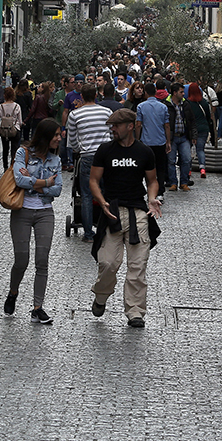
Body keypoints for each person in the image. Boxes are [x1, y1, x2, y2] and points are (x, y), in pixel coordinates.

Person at [89, 108, 162, 328]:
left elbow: (152, 181)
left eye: (116, 126)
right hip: (112, 212)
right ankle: (101, 296)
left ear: (130, 126)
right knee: (108, 262)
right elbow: (93, 180)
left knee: (138, 265)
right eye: (111, 126)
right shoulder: (105, 150)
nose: (112, 129)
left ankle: (135, 311)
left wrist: (152, 199)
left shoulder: (145, 152)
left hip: (138, 212)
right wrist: (101, 201)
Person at [3, 118, 63, 324]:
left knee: (42, 260)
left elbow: (58, 189)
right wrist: (45, 182)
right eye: (56, 135)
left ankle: (38, 308)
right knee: (22, 259)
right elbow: (19, 180)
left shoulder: (56, 160)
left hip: (45, 212)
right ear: (46, 137)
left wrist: (33, 183)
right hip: (23, 211)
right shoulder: (23, 153)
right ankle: (13, 292)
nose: (59, 138)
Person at [67, 83, 114, 243]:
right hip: (105, 155)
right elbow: (112, 133)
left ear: (81, 97)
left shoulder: (75, 114)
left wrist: (78, 148)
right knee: (106, 191)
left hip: (87, 156)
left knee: (86, 194)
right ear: (96, 95)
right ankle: (107, 228)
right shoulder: (106, 112)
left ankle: (88, 234)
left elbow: (72, 139)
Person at [135, 83, 171, 199]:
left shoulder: (141, 106)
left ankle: (149, 189)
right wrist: (168, 141)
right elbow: (167, 125)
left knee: (146, 167)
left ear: (145, 92)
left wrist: (137, 139)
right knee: (160, 167)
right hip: (160, 141)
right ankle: (160, 192)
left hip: (146, 142)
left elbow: (139, 125)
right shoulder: (163, 107)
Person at [186, 82, 213, 179]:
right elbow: (208, 116)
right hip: (203, 128)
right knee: (200, 149)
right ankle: (202, 168)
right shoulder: (204, 103)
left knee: (189, 150)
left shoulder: (187, 103)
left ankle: (188, 169)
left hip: (191, 129)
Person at [0, 87, 23, 170]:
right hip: (15, 130)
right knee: (14, 150)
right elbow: (20, 121)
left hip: (4, 130)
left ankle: (5, 167)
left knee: (5, 150)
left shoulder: (0, 107)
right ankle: (13, 166)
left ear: (5, 95)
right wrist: (17, 126)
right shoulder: (17, 106)